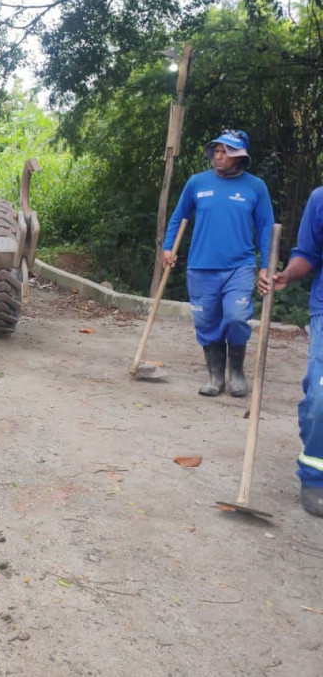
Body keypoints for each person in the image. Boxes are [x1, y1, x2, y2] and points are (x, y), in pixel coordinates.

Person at [162, 130, 274, 398]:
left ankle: (236, 373)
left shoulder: (255, 187)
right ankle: (215, 376)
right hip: (201, 266)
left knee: (236, 318)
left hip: (240, 267)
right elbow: (179, 217)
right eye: (216, 151)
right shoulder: (197, 183)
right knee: (207, 322)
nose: (218, 156)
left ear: (239, 157)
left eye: (226, 152)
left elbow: (266, 227)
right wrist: (168, 248)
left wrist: (266, 265)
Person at [258, 192, 323, 517]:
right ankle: (315, 476)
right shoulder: (321, 198)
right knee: (321, 400)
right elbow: (309, 255)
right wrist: (286, 274)